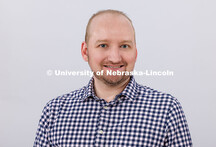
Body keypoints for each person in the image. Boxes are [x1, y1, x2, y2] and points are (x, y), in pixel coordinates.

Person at [34, 9, 192, 147]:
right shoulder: (54, 111)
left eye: (124, 46)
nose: (115, 58)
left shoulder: (167, 109)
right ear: (85, 51)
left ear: (135, 53)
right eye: (103, 45)